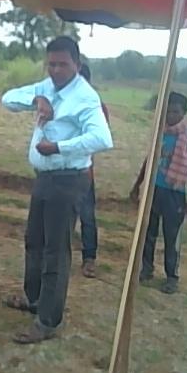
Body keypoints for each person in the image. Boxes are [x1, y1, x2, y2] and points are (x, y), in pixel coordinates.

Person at [1, 36, 113, 344]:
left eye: (62, 64)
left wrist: (59, 147)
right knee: (34, 240)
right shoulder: (47, 87)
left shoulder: (85, 97)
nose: (56, 70)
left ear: (77, 64)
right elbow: (7, 98)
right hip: (45, 177)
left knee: (55, 250)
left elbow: (103, 139)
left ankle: (48, 321)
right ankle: (35, 299)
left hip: (68, 180)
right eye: (51, 64)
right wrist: (36, 100)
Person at [129, 92, 187, 294]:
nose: (170, 116)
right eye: (167, 111)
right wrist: (137, 185)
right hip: (154, 189)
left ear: (184, 112)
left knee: (171, 236)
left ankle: (171, 277)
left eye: (175, 112)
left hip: (175, 193)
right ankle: (147, 268)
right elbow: (150, 160)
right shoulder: (160, 131)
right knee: (148, 232)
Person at [77, 63, 110, 278]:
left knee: (87, 216)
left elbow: (98, 139)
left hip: (83, 171)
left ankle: (89, 258)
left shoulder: (96, 107)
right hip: (59, 171)